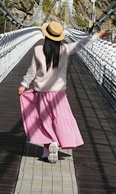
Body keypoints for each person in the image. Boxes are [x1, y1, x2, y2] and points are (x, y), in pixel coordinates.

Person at [17, 21, 109, 163]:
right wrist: (99, 35)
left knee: (44, 120)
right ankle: (53, 143)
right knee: (59, 119)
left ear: (46, 35)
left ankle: (47, 148)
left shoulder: (38, 50)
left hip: (42, 93)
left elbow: (32, 71)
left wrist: (23, 84)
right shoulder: (65, 49)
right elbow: (81, 43)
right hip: (59, 94)